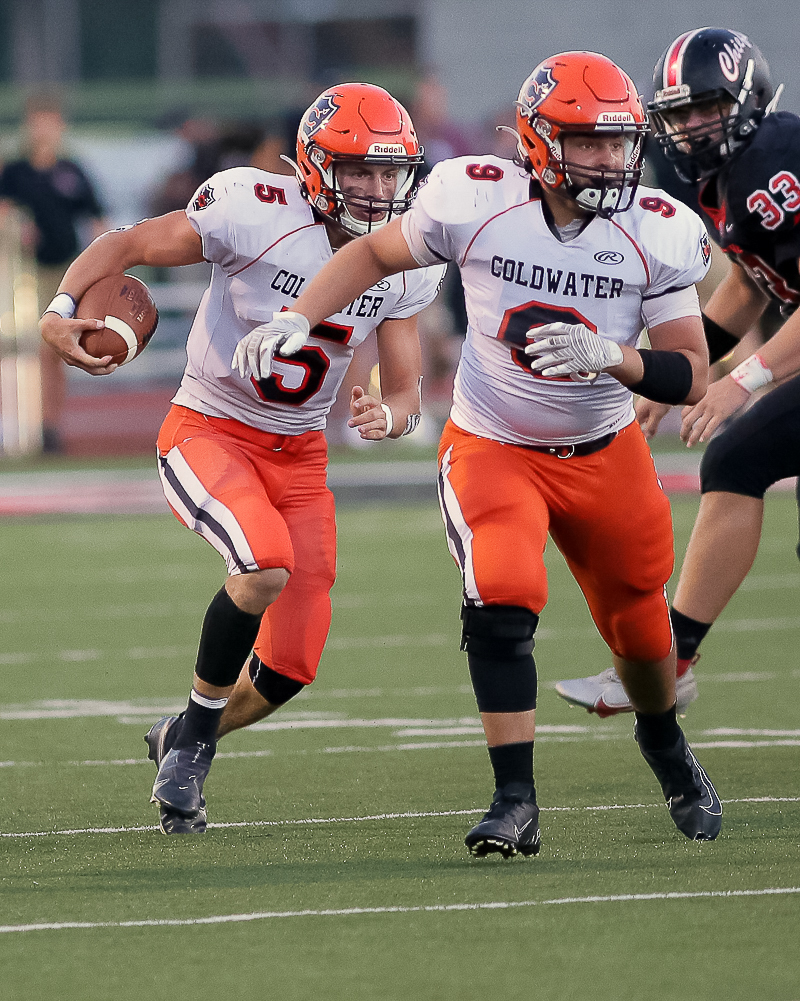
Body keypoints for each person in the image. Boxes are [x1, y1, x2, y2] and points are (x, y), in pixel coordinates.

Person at [237, 51, 724, 855]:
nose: (610, 159)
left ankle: (664, 740)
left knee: (641, 630)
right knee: (501, 592)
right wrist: (300, 315)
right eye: (589, 142)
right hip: (495, 441)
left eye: (618, 141)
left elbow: (691, 371)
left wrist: (616, 358)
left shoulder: (657, 228)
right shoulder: (475, 198)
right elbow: (372, 254)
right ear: (538, 142)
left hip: (605, 449)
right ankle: (514, 798)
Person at [39, 83, 444, 835]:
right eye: (358, 170)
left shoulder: (404, 255)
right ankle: (193, 751)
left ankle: (184, 733)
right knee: (262, 566)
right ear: (316, 164)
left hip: (301, 459)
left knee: (291, 667)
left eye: (390, 172)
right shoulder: (252, 208)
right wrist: (61, 309)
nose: (376, 188)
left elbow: (407, 389)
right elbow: (126, 244)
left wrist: (389, 415)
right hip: (210, 429)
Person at [555, 27, 800, 718]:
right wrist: (676, 372)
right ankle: (671, 661)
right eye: (680, 114)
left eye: (707, 108)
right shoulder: (728, 175)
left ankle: (668, 662)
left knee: (737, 454)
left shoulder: (777, 161)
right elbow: (754, 281)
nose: (692, 127)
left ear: (747, 99)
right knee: (736, 460)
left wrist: (740, 380)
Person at [0, 92, 108, 453]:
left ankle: (49, 427)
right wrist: (17, 226)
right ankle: (17, 427)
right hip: (23, 274)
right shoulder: (15, 172)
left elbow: (96, 218)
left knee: (51, 353)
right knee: (19, 350)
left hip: (65, 274)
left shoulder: (71, 170)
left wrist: (102, 266)